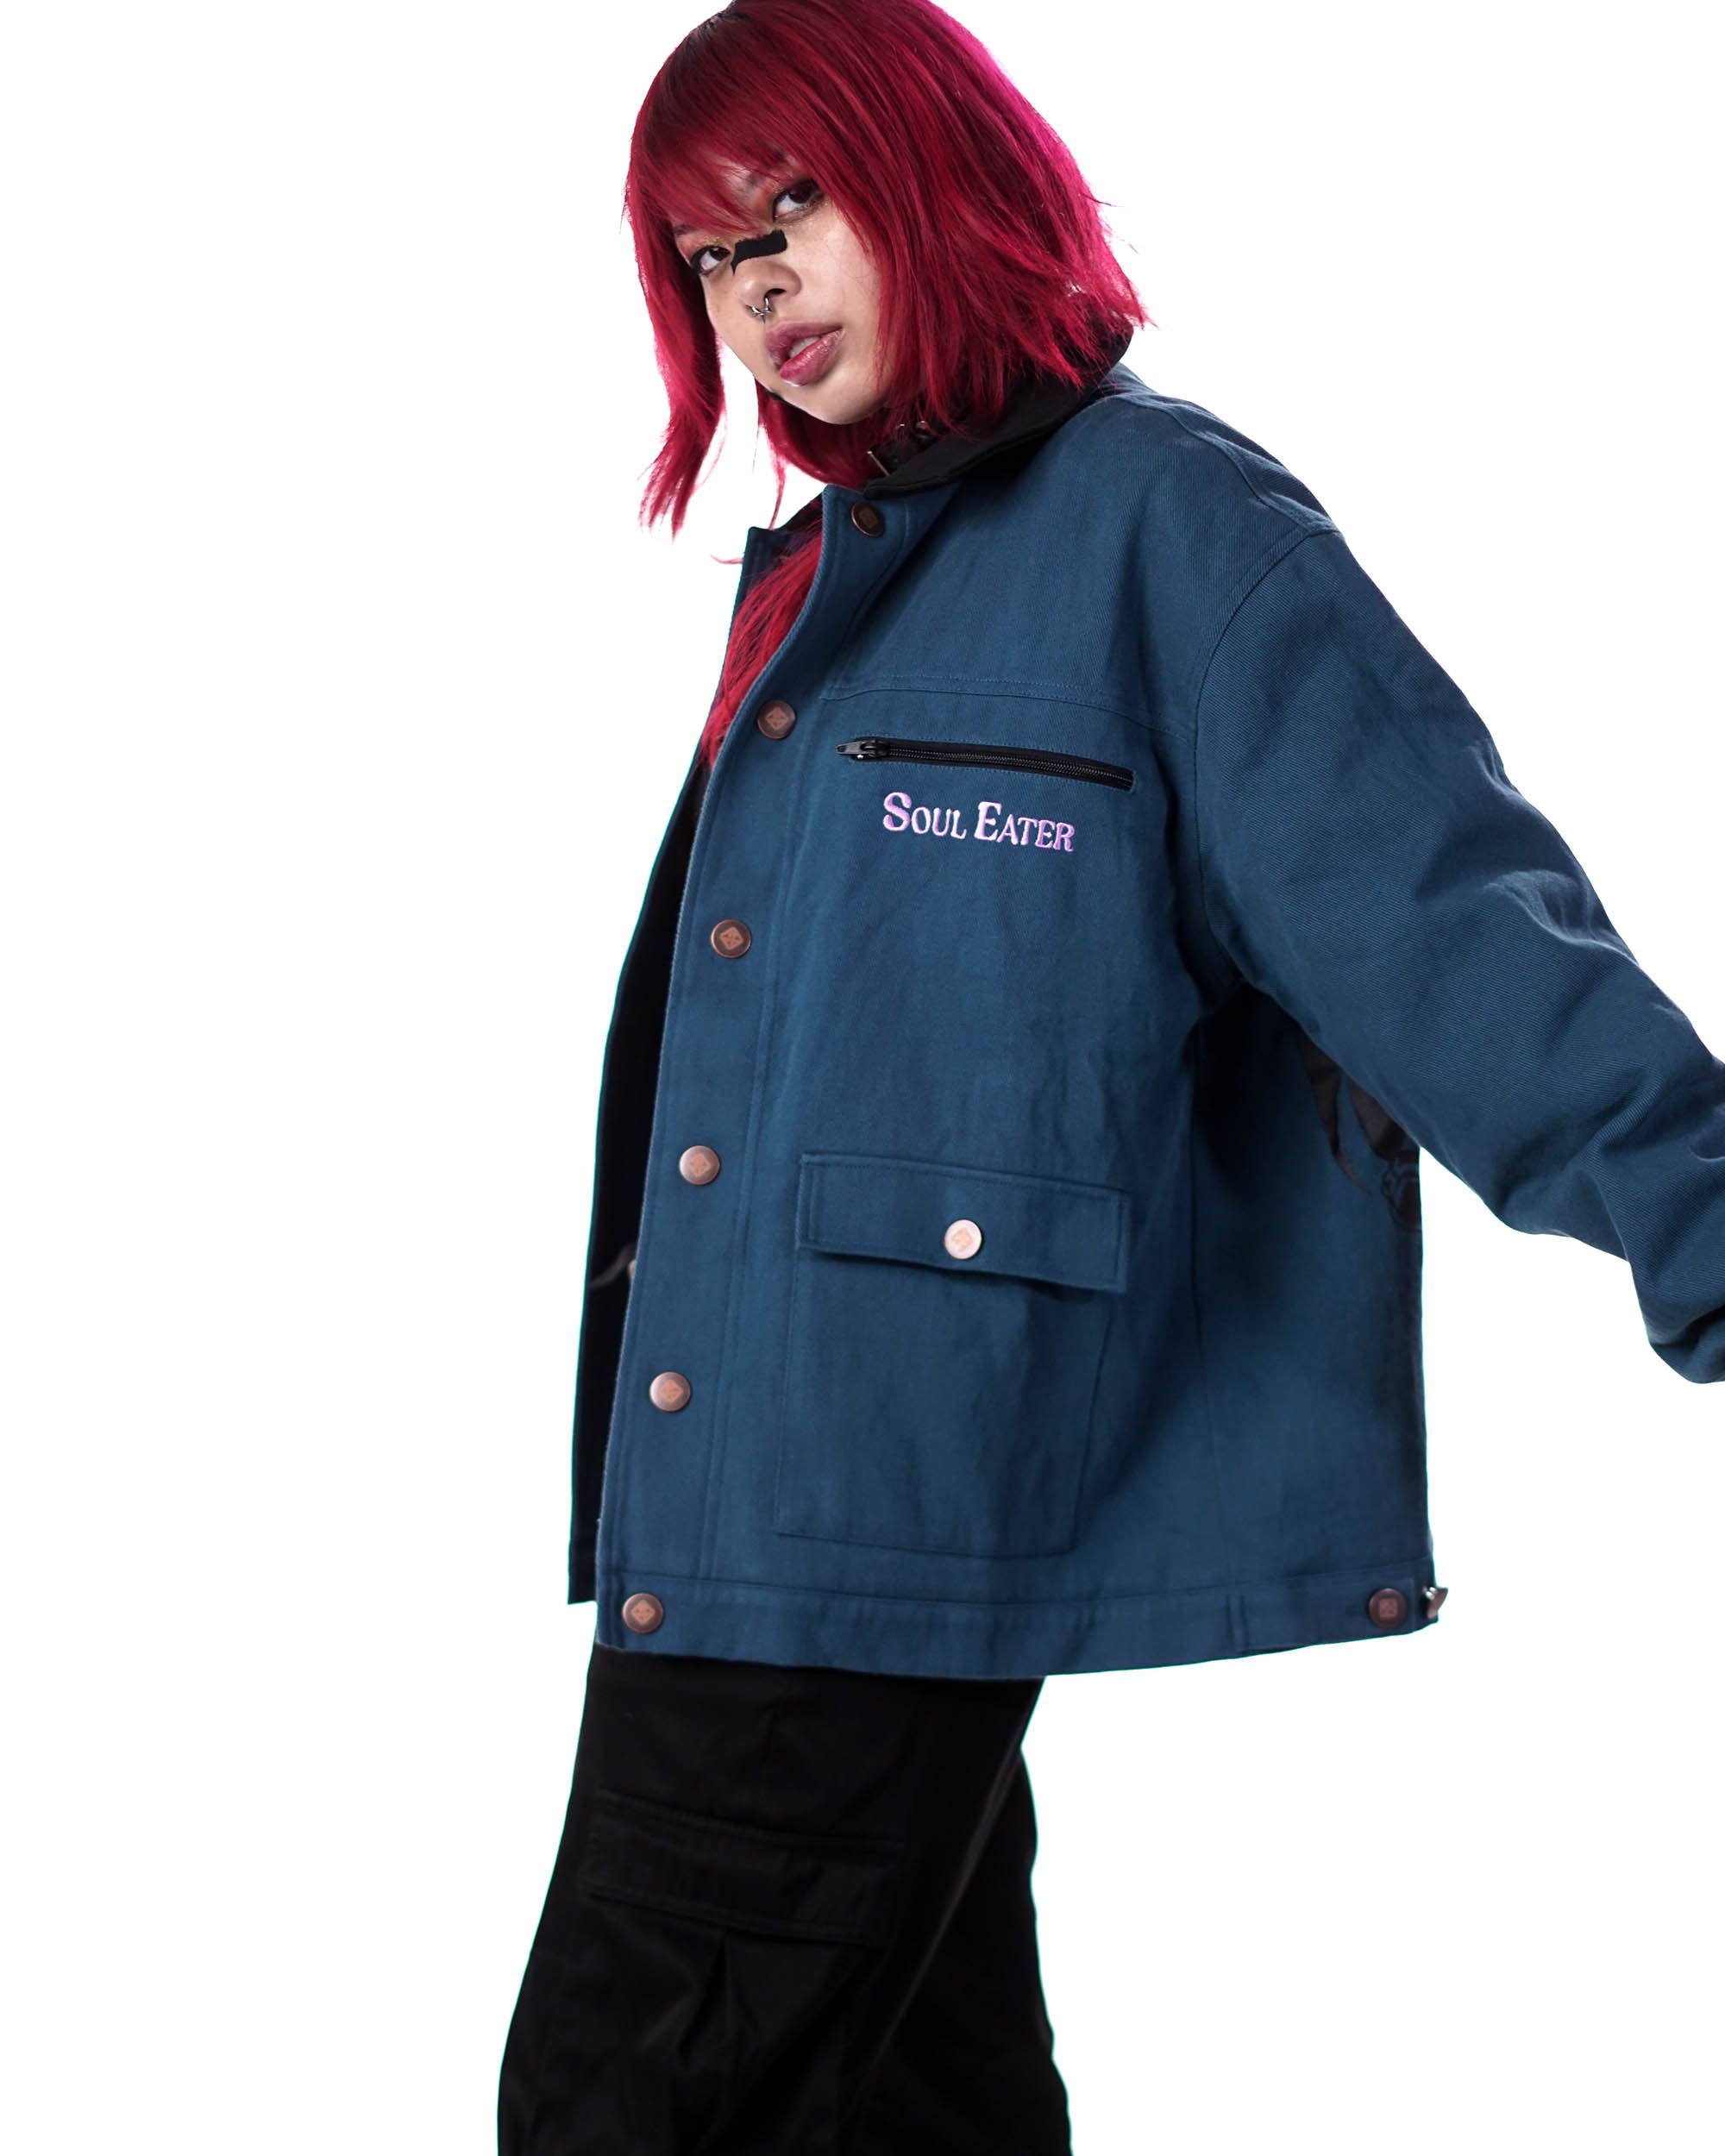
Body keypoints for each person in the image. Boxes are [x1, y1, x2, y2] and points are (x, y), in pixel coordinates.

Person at [498, 2, 1725, 2148]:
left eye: (797, 207)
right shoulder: (844, 587)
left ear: (941, 173)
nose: (759, 287)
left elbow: (1453, 933)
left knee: (632, 2102)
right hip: (788, 1491)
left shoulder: (1178, 535)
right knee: (922, 2109)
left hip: (856, 1514)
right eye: (708, 254)